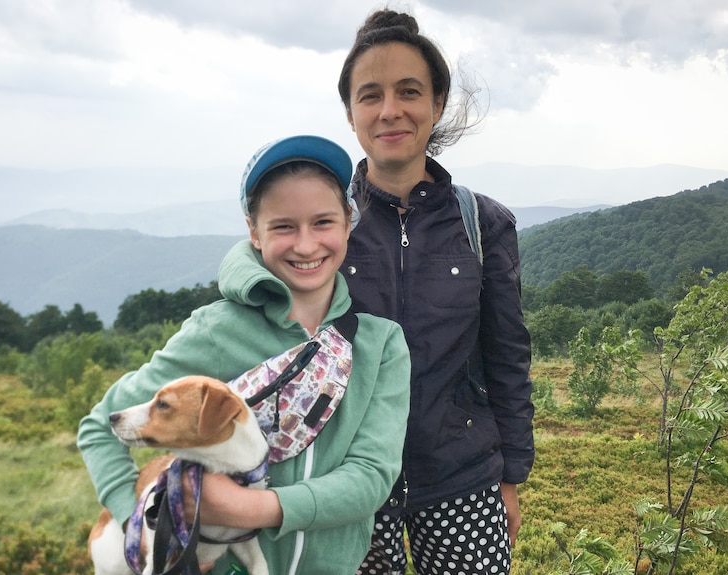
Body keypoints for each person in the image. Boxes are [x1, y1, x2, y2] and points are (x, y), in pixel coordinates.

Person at [77, 134, 411, 575]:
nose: (306, 245)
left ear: (349, 222)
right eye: (284, 226)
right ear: (254, 232)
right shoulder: (216, 331)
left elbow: (371, 477)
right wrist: (141, 524)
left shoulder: (380, 343)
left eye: (323, 222)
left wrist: (248, 508)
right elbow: (101, 427)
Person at [336, 9, 536, 575]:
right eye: (370, 95)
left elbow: (507, 354)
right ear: (350, 113)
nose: (390, 109)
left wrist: (511, 474)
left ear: (438, 103)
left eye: (409, 91)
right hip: (348, 479)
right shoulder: (325, 225)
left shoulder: (482, 223)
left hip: (461, 476)